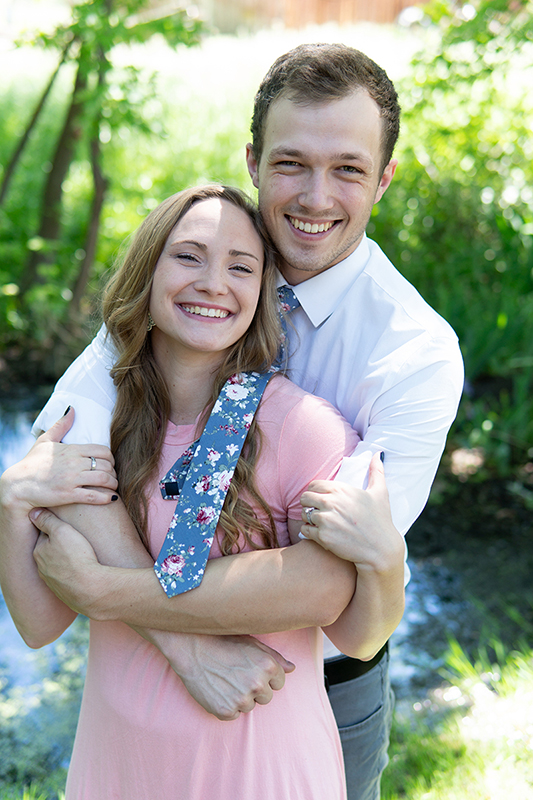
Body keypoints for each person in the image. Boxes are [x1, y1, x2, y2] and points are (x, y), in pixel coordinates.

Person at [21, 44, 464, 799]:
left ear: (383, 179)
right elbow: (67, 455)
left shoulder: (413, 353)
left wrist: (103, 593)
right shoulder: (191, 272)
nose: (315, 196)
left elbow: (331, 576)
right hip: (141, 676)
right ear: (254, 159)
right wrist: (182, 647)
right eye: (291, 163)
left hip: (311, 685)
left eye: (348, 169)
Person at [0, 184, 406, 799]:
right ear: (147, 271)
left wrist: (104, 590)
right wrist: (11, 501)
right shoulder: (93, 424)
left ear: (262, 294)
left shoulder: (302, 429)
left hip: (259, 769)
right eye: (188, 256)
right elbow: (38, 624)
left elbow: (335, 603)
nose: (214, 283)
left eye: (241, 267)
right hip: (119, 767)